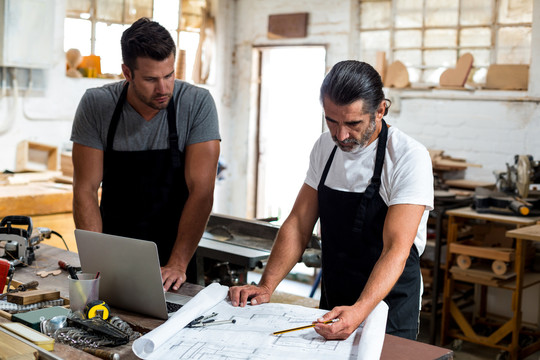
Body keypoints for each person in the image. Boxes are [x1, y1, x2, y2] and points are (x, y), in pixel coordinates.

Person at [229, 60, 433, 341]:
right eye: (331, 120)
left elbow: (396, 249)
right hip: (335, 295)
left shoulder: (408, 157)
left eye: (353, 123)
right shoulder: (325, 147)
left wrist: (360, 310)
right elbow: (299, 224)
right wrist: (266, 286)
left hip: (389, 306)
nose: (341, 135)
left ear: (381, 110)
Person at [71, 18, 220, 292]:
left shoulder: (197, 104)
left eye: (169, 75)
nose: (163, 89)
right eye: (151, 79)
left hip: (177, 259)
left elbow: (202, 191)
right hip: (115, 252)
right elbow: (85, 189)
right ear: (127, 73)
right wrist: (97, 261)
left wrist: (177, 263)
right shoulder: (96, 105)